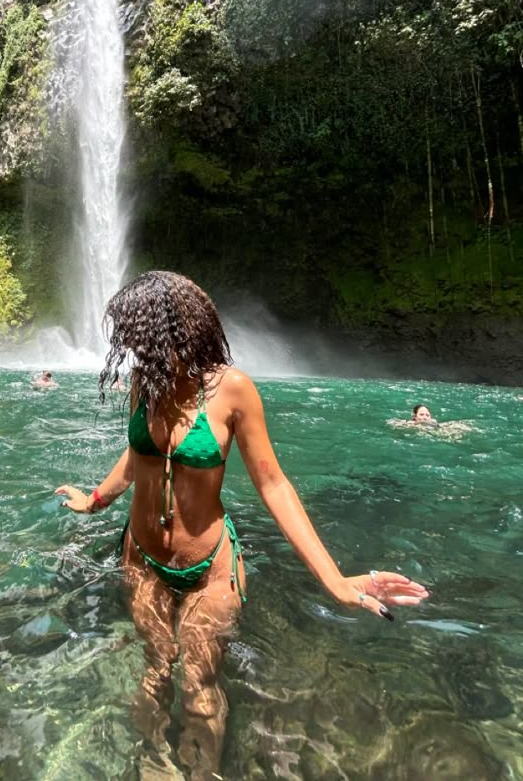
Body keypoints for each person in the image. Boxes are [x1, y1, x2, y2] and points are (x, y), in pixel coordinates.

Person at [55, 271, 429, 779]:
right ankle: (154, 764)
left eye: (139, 337)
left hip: (211, 569)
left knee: (200, 684)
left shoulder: (232, 390)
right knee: (154, 670)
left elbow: (274, 485)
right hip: (140, 558)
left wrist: (335, 580)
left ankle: (201, 769)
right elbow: (139, 453)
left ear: (174, 331)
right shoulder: (147, 382)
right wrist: (95, 500)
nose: (132, 350)